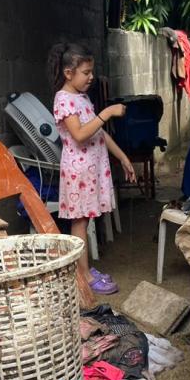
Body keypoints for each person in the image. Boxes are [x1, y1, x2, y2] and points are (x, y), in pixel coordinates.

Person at [47, 42, 135, 295]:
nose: (91, 77)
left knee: (85, 222)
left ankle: (85, 269)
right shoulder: (63, 99)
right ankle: (83, 275)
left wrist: (122, 157)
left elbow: (98, 133)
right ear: (68, 73)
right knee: (80, 223)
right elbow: (80, 134)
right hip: (79, 172)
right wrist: (107, 112)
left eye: (90, 72)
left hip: (92, 169)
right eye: (86, 72)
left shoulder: (82, 97)